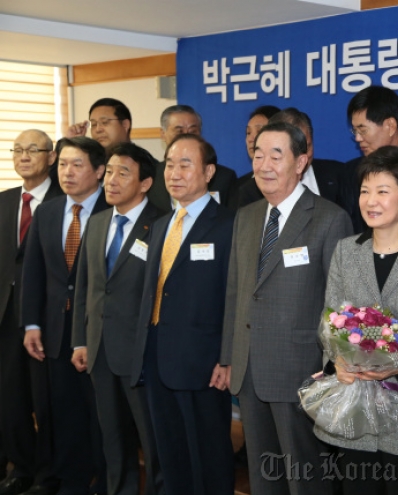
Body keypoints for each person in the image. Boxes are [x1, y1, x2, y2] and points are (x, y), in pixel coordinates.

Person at [220, 121, 352, 494]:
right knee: (264, 475)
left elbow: (337, 304)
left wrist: (329, 368)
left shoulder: (329, 218)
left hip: (301, 370)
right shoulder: (245, 218)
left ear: (301, 162)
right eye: (258, 154)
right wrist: (229, 357)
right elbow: (235, 292)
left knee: (306, 475)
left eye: (276, 155)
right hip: (249, 369)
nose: (264, 164)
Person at [315, 145, 398, 494]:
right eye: (365, 191)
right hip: (353, 407)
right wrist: (338, 363)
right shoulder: (346, 251)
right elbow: (330, 318)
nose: (370, 200)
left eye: (382, 191)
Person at [129, 134, 235, 495]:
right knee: (169, 453)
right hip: (157, 356)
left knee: (208, 455)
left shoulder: (228, 225)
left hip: (203, 363)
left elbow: (233, 298)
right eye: (169, 164)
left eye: (185, 164)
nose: (174, 173)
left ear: (208, 172)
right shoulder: (160, 225)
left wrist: (227, 357)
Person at [70, 142, 165, 495]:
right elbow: (86, 286)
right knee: (112, 440)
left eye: (122, 173)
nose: (111, 180)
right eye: (109, 171)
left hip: (141, 354)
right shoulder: (96, 223)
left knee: (151, 439)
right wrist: (80, 339)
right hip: (99, 350)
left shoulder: (160, 225)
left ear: (144, 183)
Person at [22, 137, 108, 495]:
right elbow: (34, 272)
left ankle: (105, 483)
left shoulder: (113, 209)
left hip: (98, 334)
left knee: (102, 419)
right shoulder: (50, 210)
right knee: (65, 416)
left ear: (99, 171)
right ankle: (71, 483)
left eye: (77, 165)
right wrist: (31, 323)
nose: (67, 173)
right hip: (56, 332)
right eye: (63, 165)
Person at [0, 130, 62, 495]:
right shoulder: (5, 200)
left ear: (51, 157)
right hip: (6, 317)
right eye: (18, 150)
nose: (24, 156)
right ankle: (21, 469)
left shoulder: (63, 200)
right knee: (11, 400)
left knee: (47, 400)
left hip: (46, 317)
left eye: (33, 149)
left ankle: (48, 474)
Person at [343, 86, 398, 233]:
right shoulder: (350, 172)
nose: (358, 138)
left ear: (390, 126)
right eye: (355, 131)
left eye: (363, 130)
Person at [149, 104, 238, 210]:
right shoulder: (150, 176)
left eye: (192, 131)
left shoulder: (224, 177)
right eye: (179, 132)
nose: (186, 136)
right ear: (163, 134)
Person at [228, 104, 280, 210]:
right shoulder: (238, 187)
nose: (251, 139)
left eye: (259, 131)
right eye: (248, 133)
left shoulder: (286, 181)